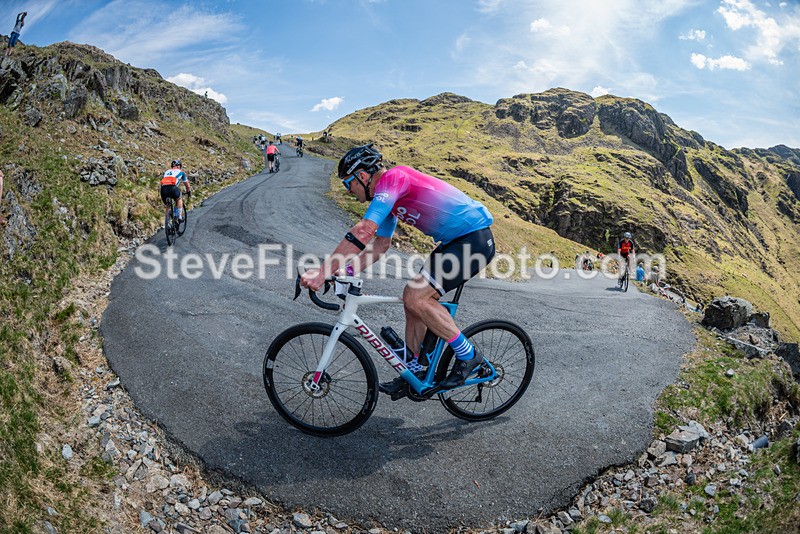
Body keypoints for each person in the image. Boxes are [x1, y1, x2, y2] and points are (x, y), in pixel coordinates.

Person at [300, 144, 495, 397]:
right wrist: (344, 271)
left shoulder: (394, 178)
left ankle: (469, 356)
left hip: (473, 239)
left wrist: (323, 271)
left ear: (362, 175)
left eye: (348, 183)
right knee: (410, 297)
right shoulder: (389, 200)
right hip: (454, 243)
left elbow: (363, 231)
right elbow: (380, 245)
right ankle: (416, 368)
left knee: (417, 296)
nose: (348, 191)